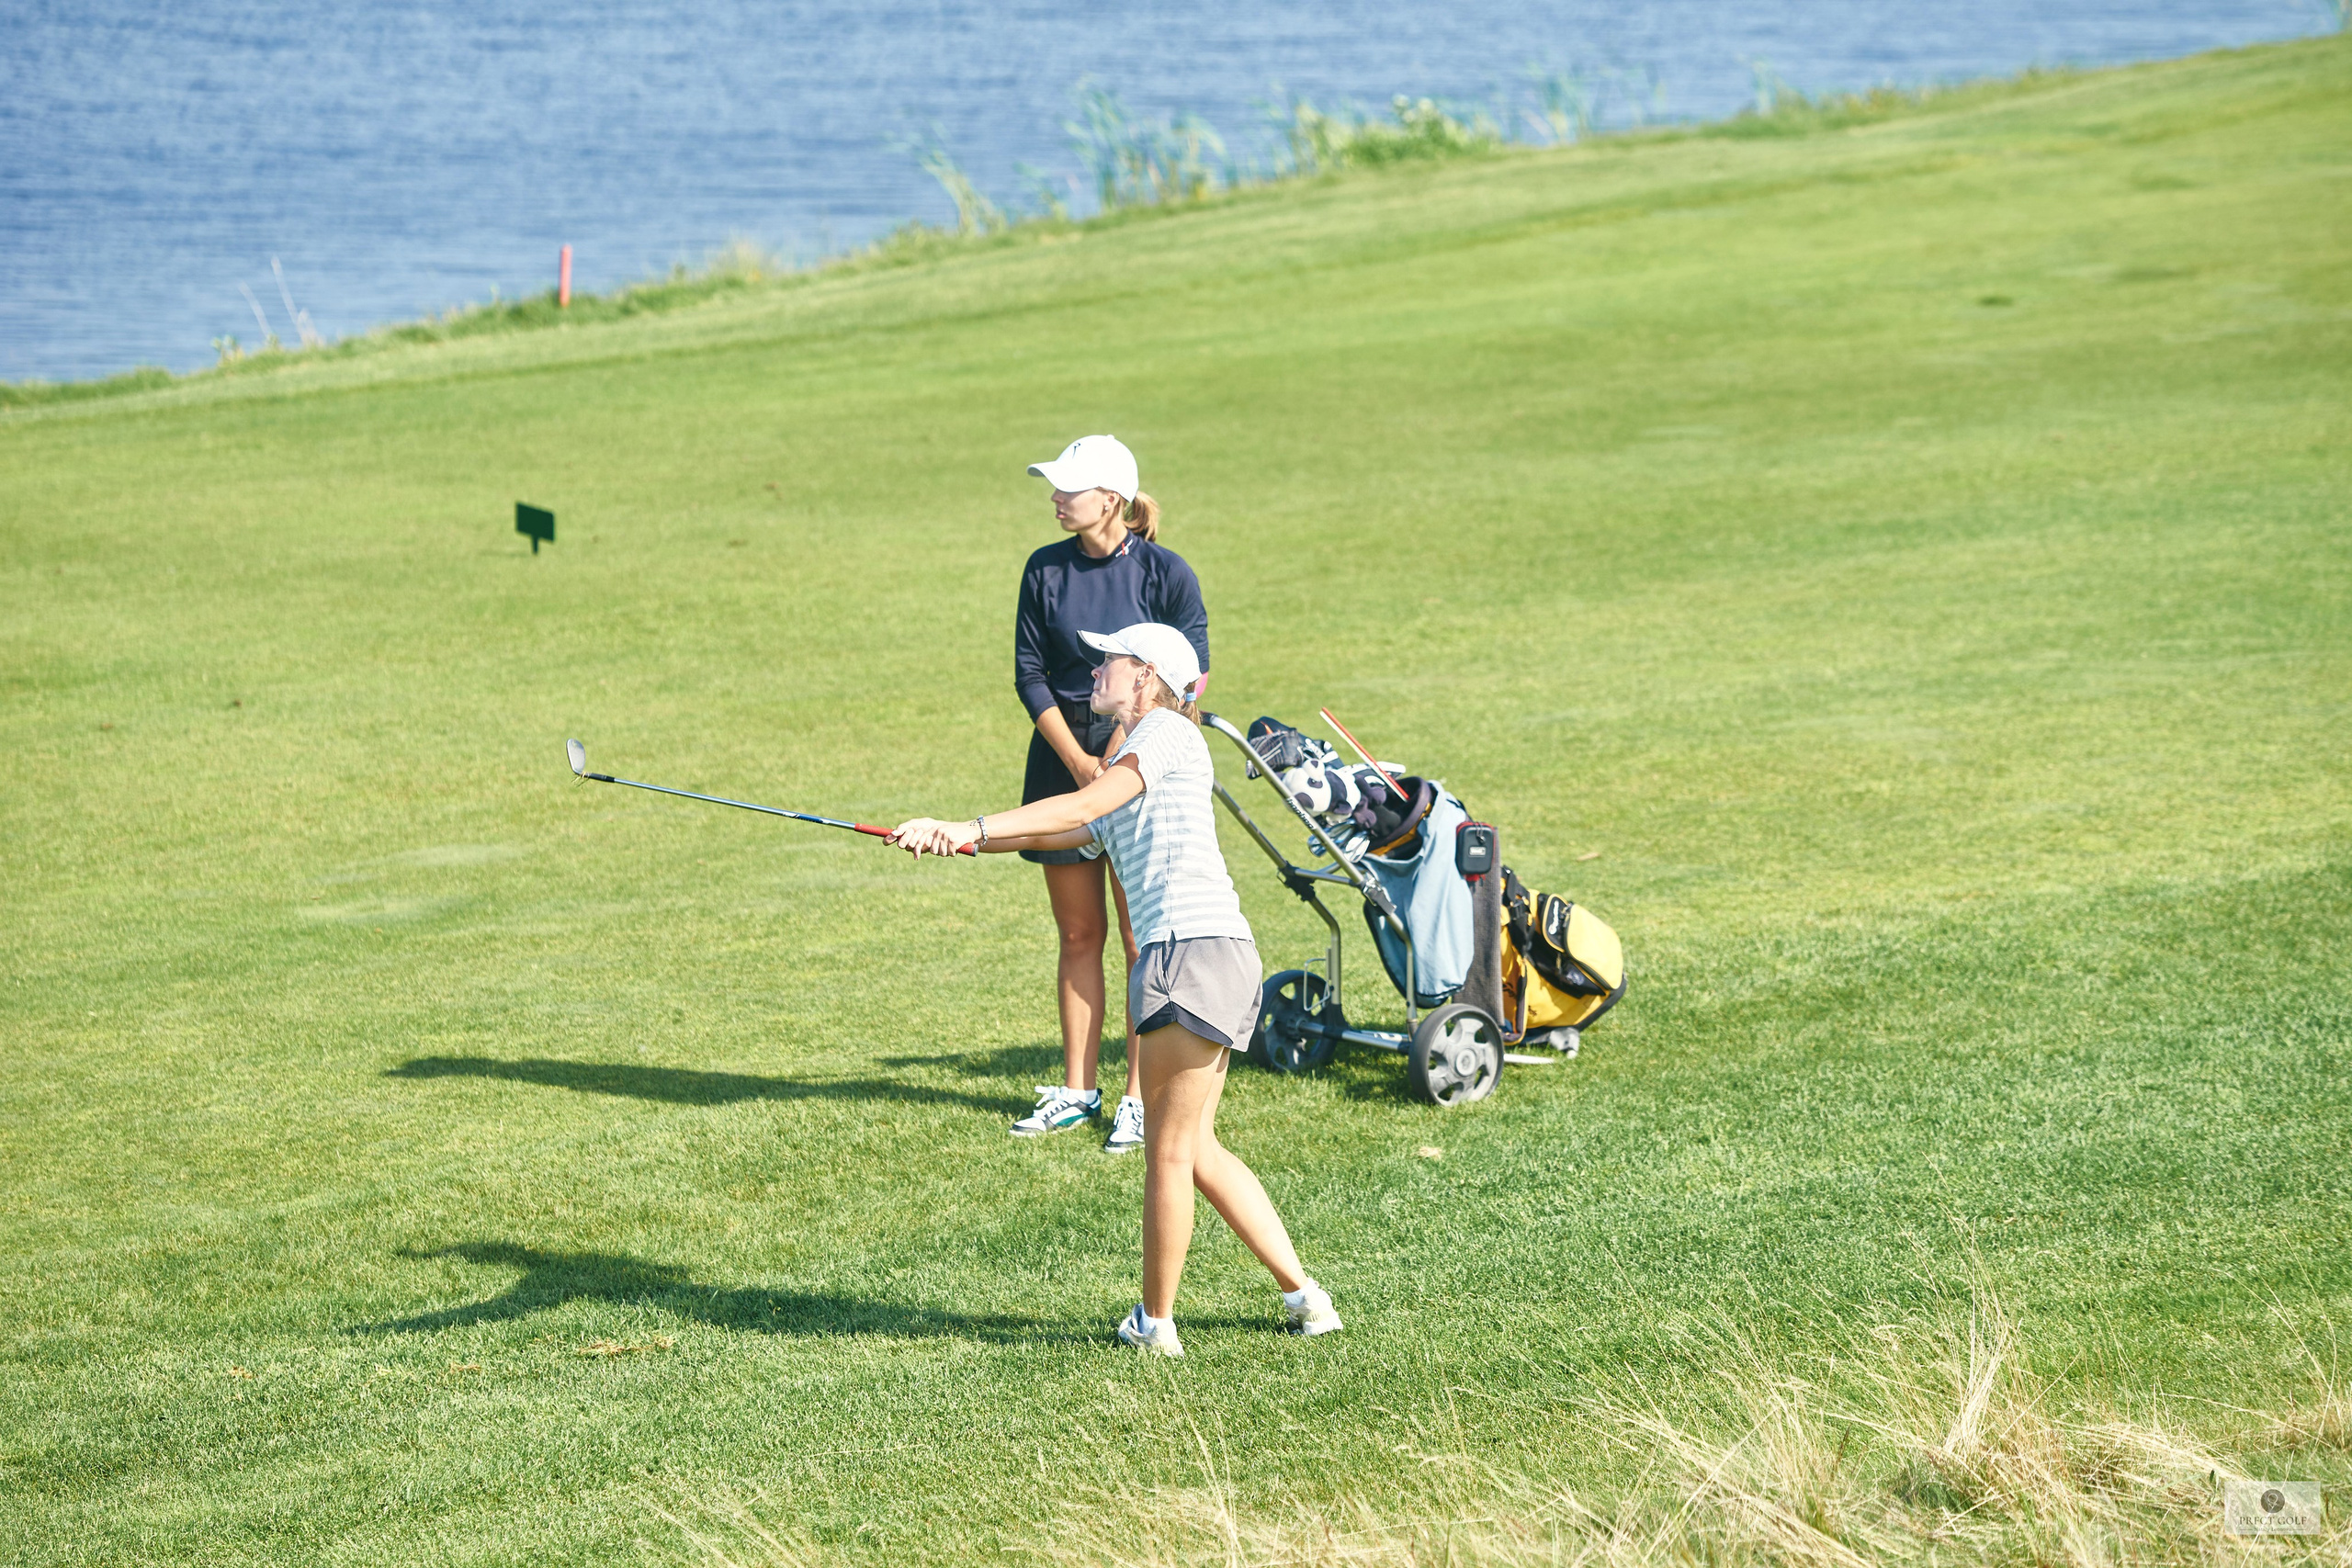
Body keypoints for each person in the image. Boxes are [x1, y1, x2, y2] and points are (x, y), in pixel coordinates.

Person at [890, 624, 1342, 1357]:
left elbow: (1076, 810)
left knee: (1168, 1151)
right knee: (1196, 1147)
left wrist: (969, 823)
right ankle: (1307, 1297)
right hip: (1215, 957)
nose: (1095, 669)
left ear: (1147, 676)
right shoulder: (1129, 760)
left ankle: (1156, 1324)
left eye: (1111, 660)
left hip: (1186, 955)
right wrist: (959, 838)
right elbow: (1063, 835)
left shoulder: (1165, 733)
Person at [1010, 435, 1210, 1155]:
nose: (1056, 497)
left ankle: (1137, 1096)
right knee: (1077, 935)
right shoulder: (1044, 567)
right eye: (1056, 486)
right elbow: (1030, 673)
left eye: (1071, 488)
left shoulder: (1165, 572)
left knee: (1137, 938)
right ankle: (1077, 1090)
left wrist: (1118, 758)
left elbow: (1191, 677)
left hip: (1137, 760)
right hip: (1061, 756)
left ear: (1112, 499)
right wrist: (1077, 759)